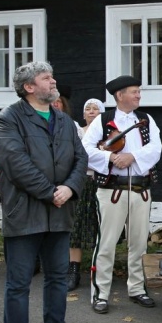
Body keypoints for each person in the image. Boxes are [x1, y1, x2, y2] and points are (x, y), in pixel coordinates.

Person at [0, 61, 88, 323]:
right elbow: (16, 164)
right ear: (29, 87)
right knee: (19, 283)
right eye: (47, 78)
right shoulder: (8, 119)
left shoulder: (63, 120)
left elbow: (81, 157)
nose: (53, 81)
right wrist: (51, 192)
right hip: (25, 212)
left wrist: (70, 188)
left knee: (58, 277)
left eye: (52, 76)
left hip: (60, 213)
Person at [83, 76, 162, 314]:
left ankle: (137, 288)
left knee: (139, 243)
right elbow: (85, 149)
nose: (139, 95)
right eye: (134, 91)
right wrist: (110, 157)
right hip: (112, 191)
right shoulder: (103, 120)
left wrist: (133, 157)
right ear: (119, 95)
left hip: (141, 190)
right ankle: (100, 293)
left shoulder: (146, 119)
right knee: (106, 243)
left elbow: (156, 148)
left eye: (139, 91)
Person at [65, 98, 104, 290]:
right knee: (76, 226)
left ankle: (100, 269)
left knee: (101, 226)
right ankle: (74, 270)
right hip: (81, 182)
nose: (91, 111)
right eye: (88, 108)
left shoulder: (106, 135)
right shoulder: (77, 132)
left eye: (95, 109)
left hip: (102, 183)